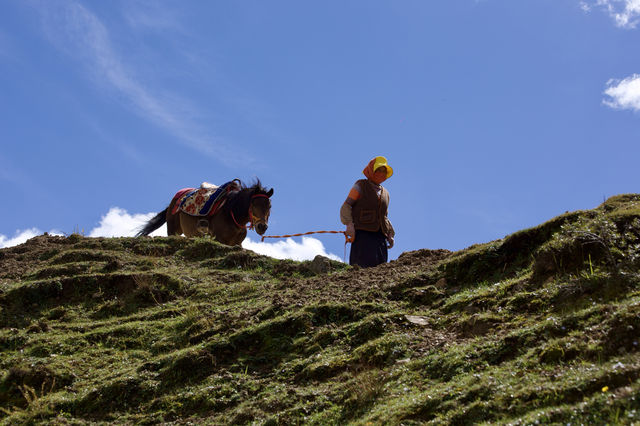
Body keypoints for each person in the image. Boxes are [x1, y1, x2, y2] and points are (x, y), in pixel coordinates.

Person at [340, 156, 395, 267]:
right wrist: (349, 224)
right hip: (363, 234)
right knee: (362, 266)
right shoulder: (360, 185)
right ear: (371, 170)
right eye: (378, 170)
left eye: (383, 171)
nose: (381, 173)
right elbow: (346, 205)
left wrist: (390, 234)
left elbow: (384, 216)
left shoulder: (386, 193)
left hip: (380, 237)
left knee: (380, 268)